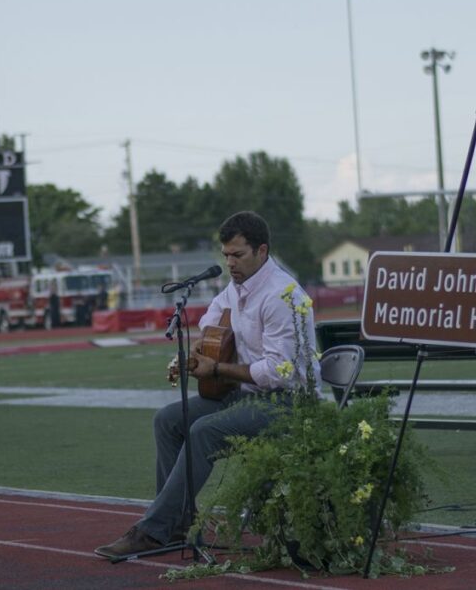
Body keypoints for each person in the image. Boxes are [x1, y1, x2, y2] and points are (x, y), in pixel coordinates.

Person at [94, 210, 319, 559]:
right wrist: (199, 348)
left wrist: (217, 369)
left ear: (262, 251)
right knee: (168, 420)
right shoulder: (237, 286)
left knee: (203, 430)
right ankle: (179, 524)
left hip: (287, 403)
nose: (230, 262)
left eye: (238, 255)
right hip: (246, 397)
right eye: (226, 255)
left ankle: (153, 531)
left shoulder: (282, 295)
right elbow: (212, 317)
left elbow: (280, 371)